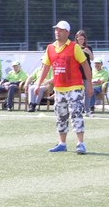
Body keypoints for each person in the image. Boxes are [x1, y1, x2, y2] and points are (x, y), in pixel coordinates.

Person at [37, 21, 92, 154]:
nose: (57, 32)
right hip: (59, 88)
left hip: (74, 87)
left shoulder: (74, 47)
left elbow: (85, 65)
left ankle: (80, 143)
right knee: (60, 116)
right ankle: (62, 143)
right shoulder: (50, 48)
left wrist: (89, 83)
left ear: (67, 32)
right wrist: (38, 83)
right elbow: (45, 67)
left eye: (60, 30)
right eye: (56, 29)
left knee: (76, 113)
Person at [75, 30, 94, 115]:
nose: (81, 40)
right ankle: (78, 108)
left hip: (86, 71)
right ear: (77, 39)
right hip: (77, 71)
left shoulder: (88, 48)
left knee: (87, 91)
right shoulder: (75, 47)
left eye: (83, 39)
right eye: (79, 39)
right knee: (77, 91)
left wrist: (88, 52)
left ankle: (86, 109)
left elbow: (92, 58)